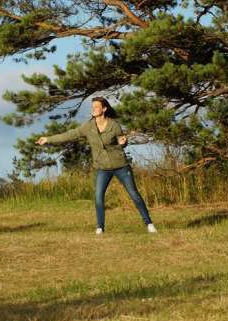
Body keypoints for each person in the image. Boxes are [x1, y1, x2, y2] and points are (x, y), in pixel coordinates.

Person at [36, 97, 157, 235]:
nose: (93, 109)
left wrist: (124, 142)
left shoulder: (114, 125)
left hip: (121, 166)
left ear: (104, 109)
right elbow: (70, 134)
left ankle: (149, 224)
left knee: (134, 194)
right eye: (92, 106)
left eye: (96, 106)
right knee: (98, 196)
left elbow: (121, 141)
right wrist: (48, 139)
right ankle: (100, 227)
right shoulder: (88, 127)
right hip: (102, 168)